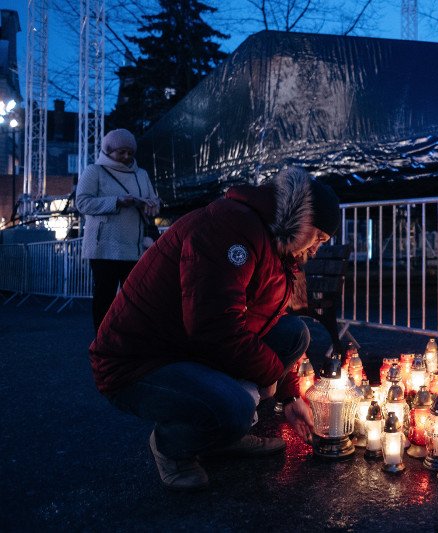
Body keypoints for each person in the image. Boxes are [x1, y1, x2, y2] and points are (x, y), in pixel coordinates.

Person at [89, 166, 340, 491]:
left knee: (294, 335)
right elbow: (214, 327)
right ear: (301, 220)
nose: (317, 249)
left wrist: (291, 392)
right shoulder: (230, 227)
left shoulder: (276, 245)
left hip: (188, 347)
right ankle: (172, 446)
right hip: (140, 361)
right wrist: (270, 375)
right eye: (318, 237)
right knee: (233, 406)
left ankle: (221, 436)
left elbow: (265, 322)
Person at [76, 128, 160, 332]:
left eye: (130, 153)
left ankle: (128, 338)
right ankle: (103, 339)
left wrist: (151, 204)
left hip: (134, 246)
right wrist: (117, 202)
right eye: (121, 152)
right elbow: (82, 203)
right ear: (107, 150)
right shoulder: (94, 171)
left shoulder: (142, 174)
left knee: (135, 297)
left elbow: (155, 202)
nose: (126, 157)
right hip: (104, 247)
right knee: (104, 296)